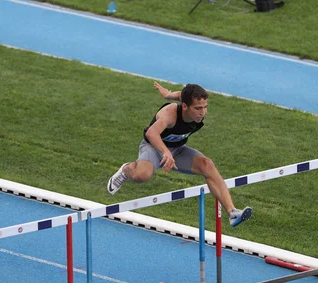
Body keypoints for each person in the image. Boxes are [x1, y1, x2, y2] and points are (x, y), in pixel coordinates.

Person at [107, 82, 252, 228]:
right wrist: (165, 152)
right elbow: (152, 133)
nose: (203, 112)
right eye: (198, 108)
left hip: (178, 150)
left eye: (205, 107)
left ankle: (232, 212)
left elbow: (180, 94)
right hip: (154, 147)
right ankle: (126, 170)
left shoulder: (192, 107)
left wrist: (167, 94)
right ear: (185, 106)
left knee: (207, 165)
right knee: (142, 175)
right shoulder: (169, 114)